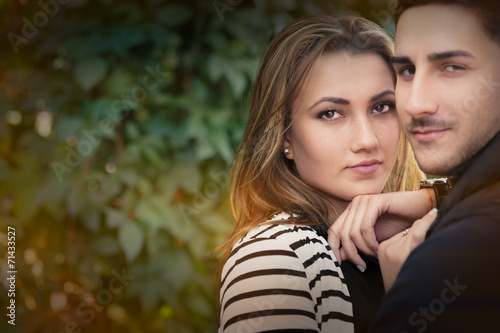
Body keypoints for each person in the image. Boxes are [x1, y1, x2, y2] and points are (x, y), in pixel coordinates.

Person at [217, 14, 431, 333]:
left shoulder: (411, 236)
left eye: (382, 106)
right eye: (330, 114)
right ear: (285, 136)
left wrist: (433, 201)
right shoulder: (276, 255)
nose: (367, 140)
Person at [362, 1, 500, 332]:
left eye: (451, 67)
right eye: (407, 70)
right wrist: (436, 199)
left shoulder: (449, 261)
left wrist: (406, 293)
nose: (414, 103)